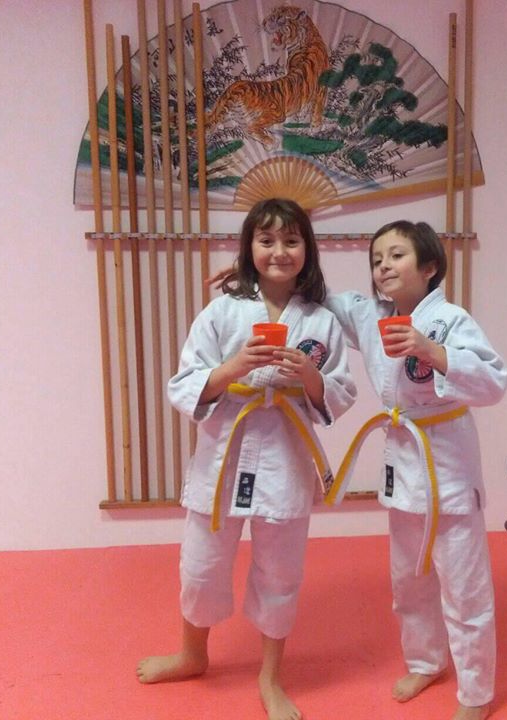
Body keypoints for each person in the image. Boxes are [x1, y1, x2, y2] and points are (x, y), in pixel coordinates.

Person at [137, 198, 356, 720]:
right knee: (200, 565)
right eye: (267, 240)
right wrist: (232, 368)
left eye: (291, 241)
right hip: (224, 455)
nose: (279, 251)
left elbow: (341, 391)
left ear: (307, 250)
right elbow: (183, 383)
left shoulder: (322, 321)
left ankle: (270, 677)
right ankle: (193, 654)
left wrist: (309, 375)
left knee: (280, 572)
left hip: (285, 457)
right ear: (249, 247)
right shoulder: (223, 312)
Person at [323, 220, 507, 720]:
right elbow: (316, 297)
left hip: (447, 466)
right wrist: (251, 278)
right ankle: (426, 662)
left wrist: (434, 352)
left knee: (465, 588)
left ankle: (476, 693)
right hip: (402, 463)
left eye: (396, 255)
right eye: (376, 258)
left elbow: (494, 382)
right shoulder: (371, 315)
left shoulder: (450, 319)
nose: (383, 265)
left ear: (429, 267)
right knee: (409, 580)